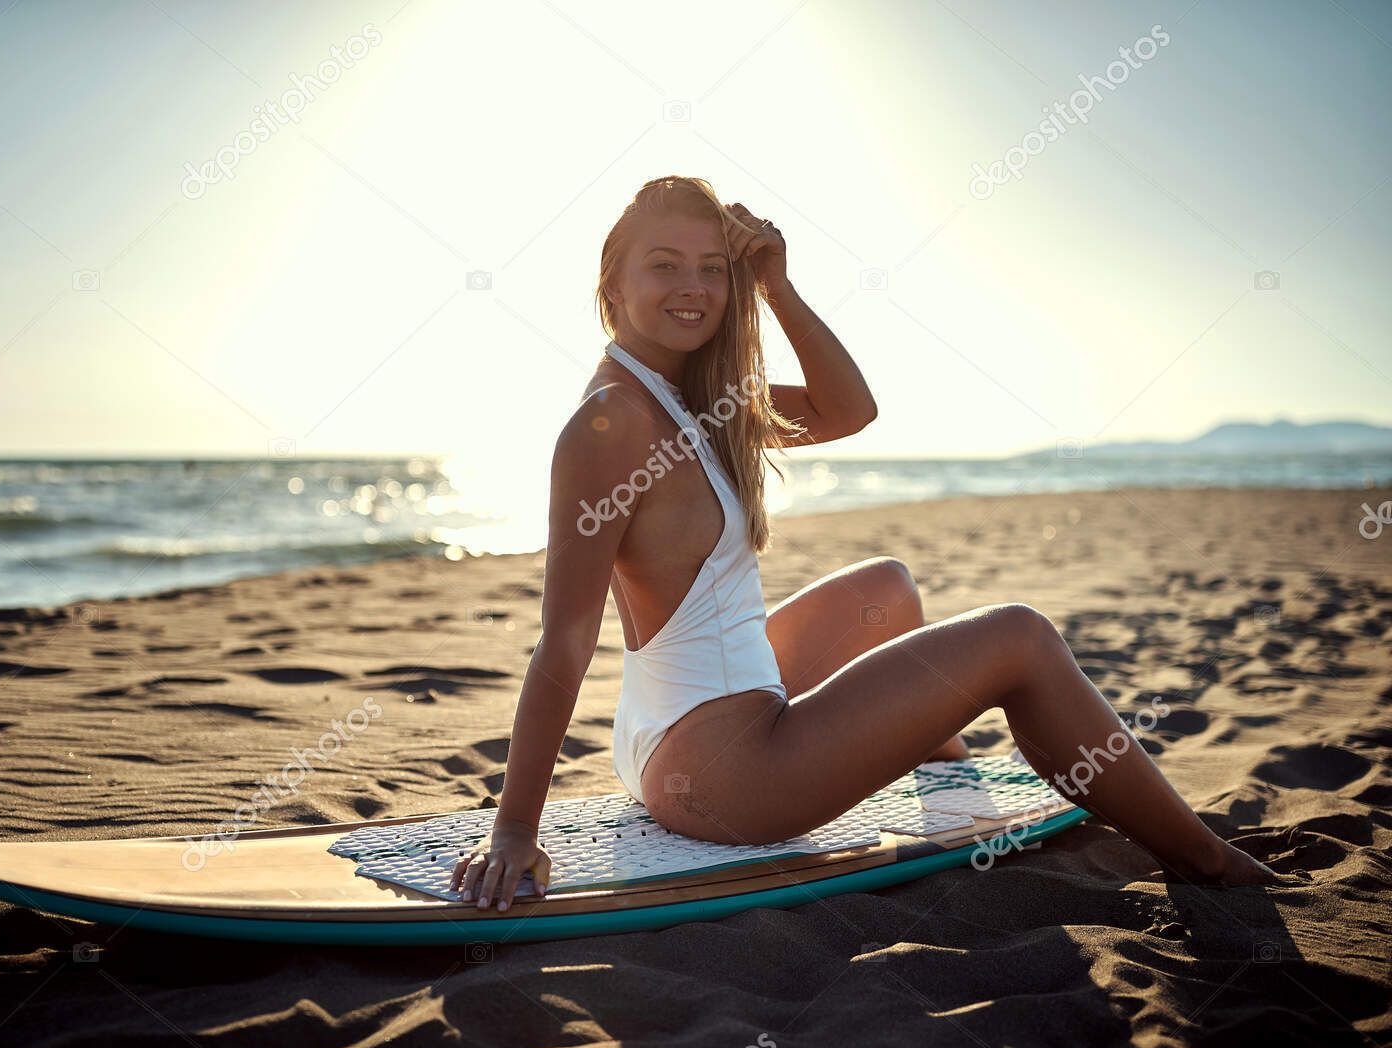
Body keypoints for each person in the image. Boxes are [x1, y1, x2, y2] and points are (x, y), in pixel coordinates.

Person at [451, 175, 1280, 913]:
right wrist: (516, 827)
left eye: (712, 267)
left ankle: (943, 779)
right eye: (664, 264)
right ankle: (1201, 857)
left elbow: (850, 410)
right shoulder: (610, 423)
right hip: (722, 775)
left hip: (679, 720)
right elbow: (563, 638)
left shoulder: (684, 398)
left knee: (888, 589)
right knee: (1018, 637)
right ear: (613, 281)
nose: (693, 287)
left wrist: (775, 283)